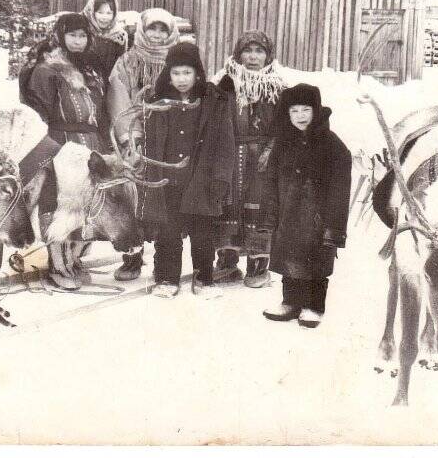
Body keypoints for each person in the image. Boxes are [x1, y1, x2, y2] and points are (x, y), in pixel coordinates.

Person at [139, 42, 235, 297]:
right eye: (176, 73)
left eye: (187, 73)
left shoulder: (213, 101)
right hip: (168, 181)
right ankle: (167, 279)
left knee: (202, 234)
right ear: (168, 74)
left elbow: (225, 143)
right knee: (168, 233)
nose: (182, 79)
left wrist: (221, 179)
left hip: (201, 179)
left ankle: (204, 279)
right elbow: (150, 143)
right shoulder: (158, 103)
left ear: (198, 74)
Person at [258, 84, 352, 327]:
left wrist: (334, 227)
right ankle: (290, 302)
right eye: (294, 111)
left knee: (316, 263)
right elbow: (270, 179)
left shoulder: (332, 145)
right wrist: (270, 213)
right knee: (290, 258)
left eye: (305, 110)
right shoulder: (283, 143)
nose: (300, 116)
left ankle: (313, 306)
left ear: (316, 110)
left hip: (318, 218)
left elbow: (340, 190)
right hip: (288, 214)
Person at [25, 12, 107, 289]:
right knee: (61, 203)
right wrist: (47, 149)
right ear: (61, 36)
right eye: (72, 35)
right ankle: (56, 263)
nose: (78, 40)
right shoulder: (46, 69)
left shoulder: (90, 68)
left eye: (83, 35)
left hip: (90, 141)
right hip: (61, 142)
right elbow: (38, 114)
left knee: (87, 202)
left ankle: (75, 258)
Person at [106, 8, 180, 281]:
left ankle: (165, 256)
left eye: (163, 29)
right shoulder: (128, 61)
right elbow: (118, 97)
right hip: (137, 137)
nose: (158, 35)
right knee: (134, 196)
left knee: (168, 197)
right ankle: (132, 255)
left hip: (171, 140)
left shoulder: (179, 61)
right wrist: (129, 136)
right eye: (152, 29)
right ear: (143, 30)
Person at [211, 30, 287, 287]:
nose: (253, 57)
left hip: (263, 157)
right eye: (248, 51)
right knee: (227, 205)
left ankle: (258, 264)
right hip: (230, 152)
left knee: (259, 208)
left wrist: (272, 150)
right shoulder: (224, 84)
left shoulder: (278, 87)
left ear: (268, 55)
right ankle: (227, 261)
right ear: (238, 53)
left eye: (259, 51)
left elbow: (284, 125)